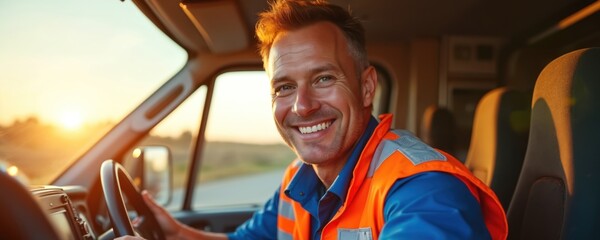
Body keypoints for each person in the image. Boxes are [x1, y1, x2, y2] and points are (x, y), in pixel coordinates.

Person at [119, 0, 508, 239]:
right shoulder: (300, 178)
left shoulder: (424, 189)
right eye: (284, 87)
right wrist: (177, 234)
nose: (302, 106)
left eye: (323, 78)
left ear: (367, 87)